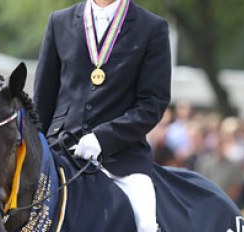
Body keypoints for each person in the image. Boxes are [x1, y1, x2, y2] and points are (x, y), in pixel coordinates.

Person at [33, 0, 171, 231]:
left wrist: (104, 138)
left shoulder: (152, 27)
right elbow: (43, 99)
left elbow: (152, 104)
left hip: (123, 156)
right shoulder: (60, 21)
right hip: (59, 148)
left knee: (145, 222)